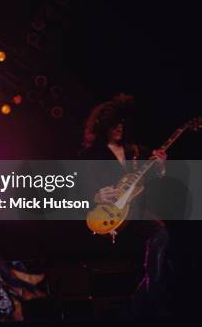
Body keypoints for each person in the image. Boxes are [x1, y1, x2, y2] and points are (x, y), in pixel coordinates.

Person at [79, 93, 169, 316]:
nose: (119, 127)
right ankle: (145, 302)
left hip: (137, 212)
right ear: (104, 125)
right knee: (161, 240)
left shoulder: (136, 151)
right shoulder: (91, 155)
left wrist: (161, 167)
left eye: (121, 123)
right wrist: (97, 195)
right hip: (108, 217)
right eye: (114, 124)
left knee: (164, 238)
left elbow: (157, 181)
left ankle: (144, 301)